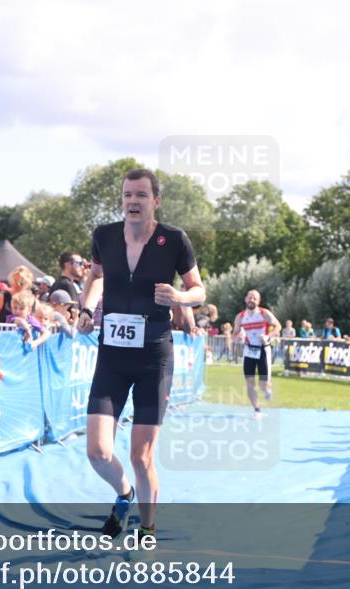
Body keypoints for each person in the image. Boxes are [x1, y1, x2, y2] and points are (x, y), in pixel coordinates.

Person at [75, 168, 205, 540]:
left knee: (140, 456)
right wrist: (86, 310)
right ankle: (124, 494)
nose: (133, 201)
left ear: (156, 201)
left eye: (141, 195)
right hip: (112, 356)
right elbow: (96, 277)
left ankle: (147, 529)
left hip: (154, 358)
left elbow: (198, 289)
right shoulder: (104, 236)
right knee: (97, 452)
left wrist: (180, 297)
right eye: (127, 195)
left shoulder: (174, 240)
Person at [232, 290, 281, 418]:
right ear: (245, 299)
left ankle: (266, 389)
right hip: (249, 350)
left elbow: (278, 326)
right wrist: (237, 338)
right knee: (249, 382)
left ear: (258, 301)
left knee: (263, 384)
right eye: (250, 297)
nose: (251, 300)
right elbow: (235, 334)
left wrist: (268, 336)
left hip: (263, 350)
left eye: (255, 298)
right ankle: (257, 410)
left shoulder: (264, 314)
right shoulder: (240, 317)